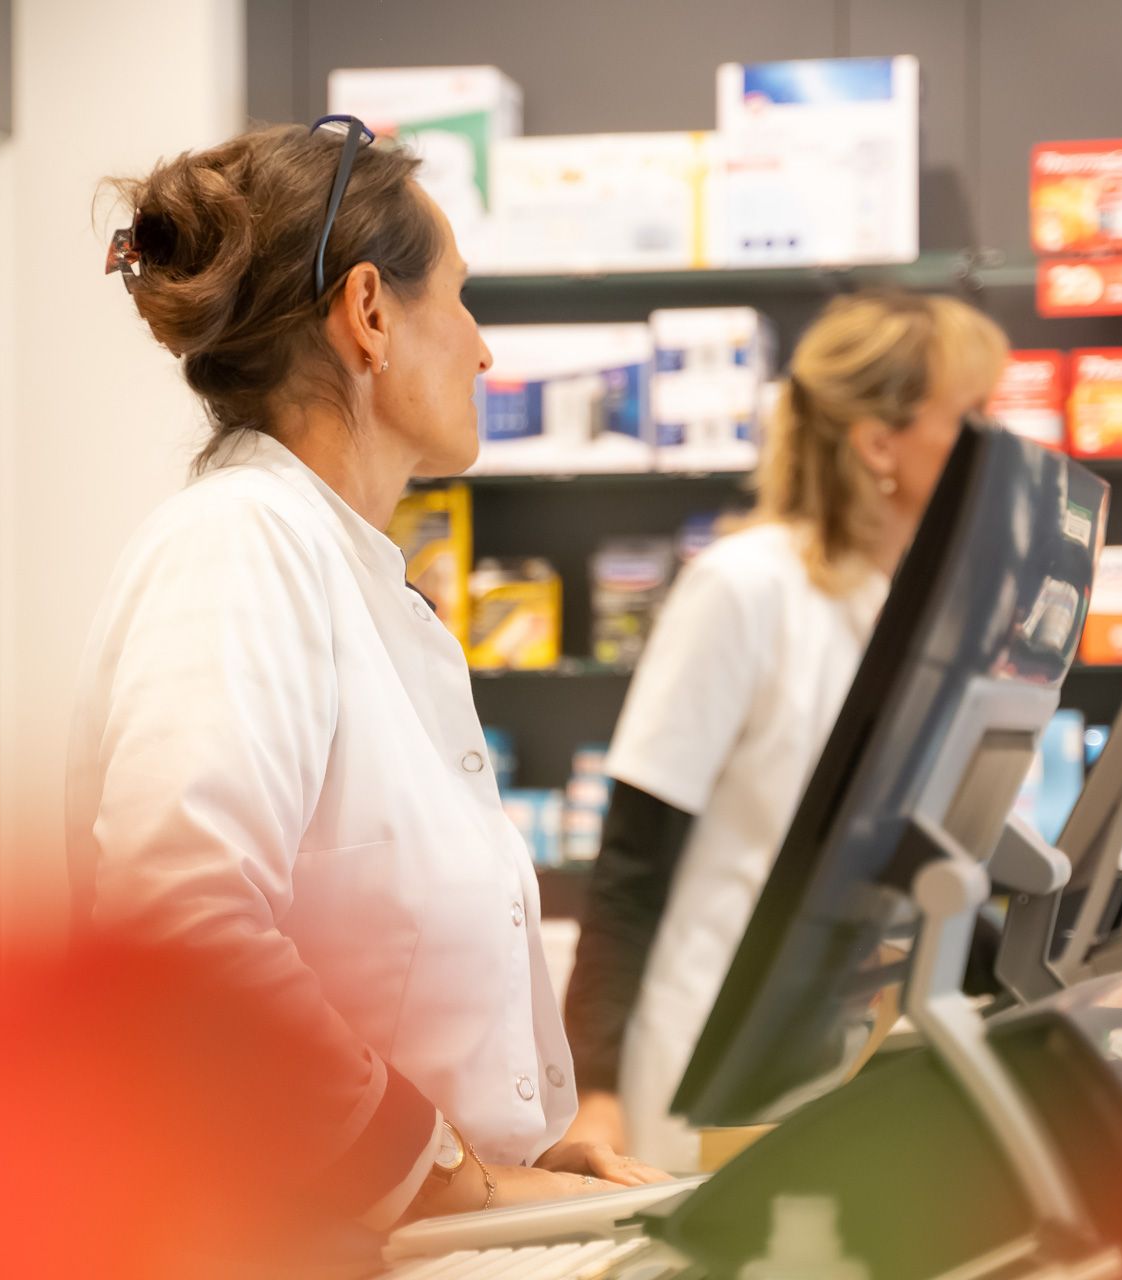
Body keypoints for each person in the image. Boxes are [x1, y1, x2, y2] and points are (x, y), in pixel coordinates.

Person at [65, 118, 669, 1249]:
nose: (486, 351)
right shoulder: (241, 547)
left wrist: (513, 1148)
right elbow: (182, 928)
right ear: (372, 315)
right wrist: (448, 1175)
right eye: (462, 299)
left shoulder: (348, 572)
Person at [562, 291, 1011, 1171]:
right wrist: (598, 1091)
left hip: (846, 1059)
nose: (996, 444)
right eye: (971, 417)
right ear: (880, 444)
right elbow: (633, 858)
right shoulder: (742, 588)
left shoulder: (905, 611)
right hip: (715, 1065)